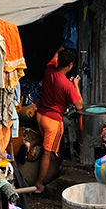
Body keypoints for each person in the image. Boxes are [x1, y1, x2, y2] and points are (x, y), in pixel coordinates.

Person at [33, 48, 82, 193]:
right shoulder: (67, 85)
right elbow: (79, 105)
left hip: (40, 115)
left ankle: (29, 144)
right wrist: (76, 85)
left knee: (44, 140)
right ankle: (39, 183)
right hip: (53, 121)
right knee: (47, 152)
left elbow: (54, 56)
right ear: (70, 65)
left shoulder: (49, 69)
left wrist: (60, 49)